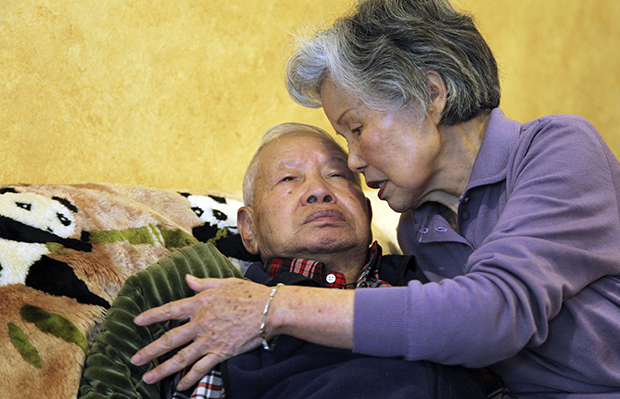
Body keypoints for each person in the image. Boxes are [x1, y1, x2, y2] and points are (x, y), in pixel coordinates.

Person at [131, 1, 620, 398]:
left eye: (357, 128)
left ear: (431, 94)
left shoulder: (558, 147)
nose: (356, 163)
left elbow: (495, 313)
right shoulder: (418, 228)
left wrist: (273, 308)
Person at [80, 123, 504, 398]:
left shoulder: (437, 279)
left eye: (338, 175)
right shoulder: (217, 310)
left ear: (367, 203)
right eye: (288, 179)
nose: (319, 190)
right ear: (249, 228)